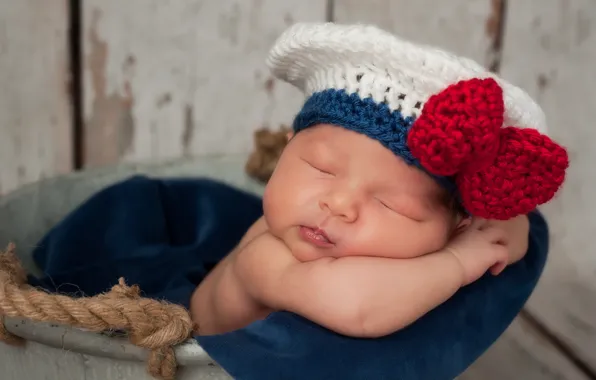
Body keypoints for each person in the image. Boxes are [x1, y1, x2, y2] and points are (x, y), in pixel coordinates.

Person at [190, 22, 568, 339]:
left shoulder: (427, 244)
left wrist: (501, 229)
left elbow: (509, 231)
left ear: (455, 227)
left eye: (392, 205)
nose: (339, 205)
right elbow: (357, 307)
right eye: (321, 168)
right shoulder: (267, 256)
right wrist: (458, 259)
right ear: (285, 152)